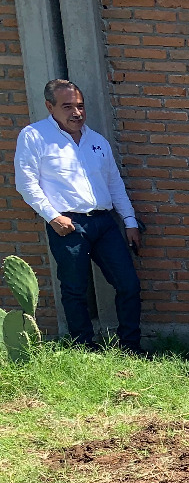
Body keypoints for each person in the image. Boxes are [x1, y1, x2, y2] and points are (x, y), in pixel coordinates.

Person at [13, 79, 145, 353]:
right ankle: (84, 348)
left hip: (104, 223)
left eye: (80, 106)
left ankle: (130, 347)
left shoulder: (97, 141)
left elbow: (114, 184)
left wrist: (130, 221)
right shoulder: (34, 136)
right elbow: (26, 184)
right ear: (50, 106)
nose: (76, 113)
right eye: (68, 107)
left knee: (128, 284)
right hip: (68, 224)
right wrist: (53, 217)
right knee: (75, 289)